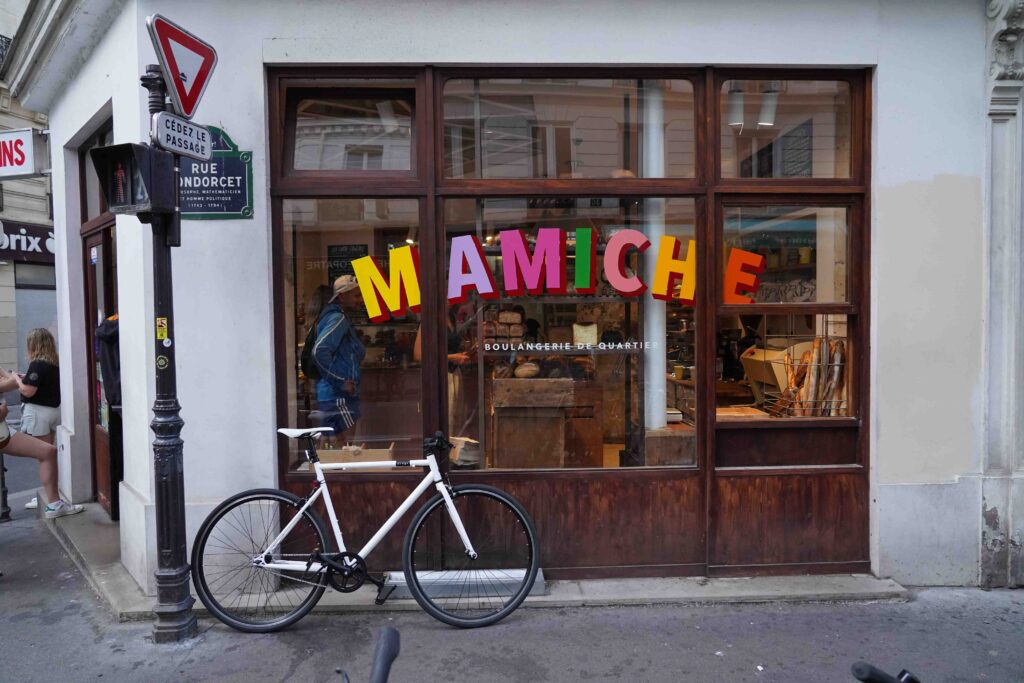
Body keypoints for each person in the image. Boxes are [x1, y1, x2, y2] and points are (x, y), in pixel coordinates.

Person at [0, 328, 82, 519]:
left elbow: (27, 391)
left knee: (44, 452)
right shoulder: (54, 363)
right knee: (47, 451)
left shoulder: (37, 364)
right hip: (51, 410)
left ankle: (50, 497)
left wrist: (16, 380)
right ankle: (52, 498)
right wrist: (14, 379)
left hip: (36, 413)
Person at [313, 275, 366, 439]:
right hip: (338, 396)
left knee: (340, 453)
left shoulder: (334, 317)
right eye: (356, 295)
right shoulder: (338, 318)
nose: (361, 300)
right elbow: (320, 350)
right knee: (346, 452)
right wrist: (341, 382)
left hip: (335, 395)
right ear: (342, 296)